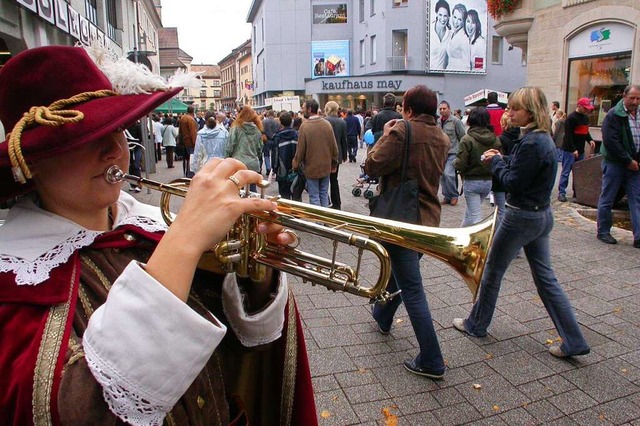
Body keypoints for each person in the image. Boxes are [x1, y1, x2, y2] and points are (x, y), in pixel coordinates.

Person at [0, 44, 317, 425]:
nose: (114, 150)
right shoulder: (17, 279)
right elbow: (79, 409)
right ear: (33, 163)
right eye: (84, 140)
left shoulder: (150, 224)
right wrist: (185, 239)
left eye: (117, 128)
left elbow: (239, 347)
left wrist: (254, 269)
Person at [453, 87, 591, 359]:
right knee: (546, 279)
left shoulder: (532, 142)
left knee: (492, 270)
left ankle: (476, 324)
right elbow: (522, 172)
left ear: (531, 111)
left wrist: (495, 164)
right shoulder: (542, 139)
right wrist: (503, 159)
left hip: (521, 216)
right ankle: (574, 339)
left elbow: (512, 182)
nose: (510, 112)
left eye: (515, 108)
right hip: (541, 215)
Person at [365, 85, 450, 379]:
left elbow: (371, 164)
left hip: (402, 219)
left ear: (409, 109)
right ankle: (383, 315)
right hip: (428, 219)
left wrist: (385, 133)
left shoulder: (401, 132)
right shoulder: (442, 137)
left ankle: (432, 359)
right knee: (401, 275)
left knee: (412, 288)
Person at [596, 85, 640, 248]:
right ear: (624, 96)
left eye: (638, 98)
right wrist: (628, 160)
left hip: (634, 165)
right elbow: (611, 141)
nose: (635, 101)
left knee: (636, 200)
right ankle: (603, 231)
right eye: (632, 98)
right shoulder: (614, 115)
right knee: (608, 198)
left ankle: (638, 236)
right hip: (615, 163)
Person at [453, 107, 501, 226]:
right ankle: (461, 235)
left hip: (472, 181)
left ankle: (479, 242)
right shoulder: (495, 139)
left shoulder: (467, 139)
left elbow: (461, 163)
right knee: (470, 213)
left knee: (475, 218)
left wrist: (454, 164)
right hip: (488, 181)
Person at [293, 99, 338, 207]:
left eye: (303, 108)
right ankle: (325, 219)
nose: (302, 110)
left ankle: (319, 222)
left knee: (314, 195)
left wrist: (295, 163)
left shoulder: (305, 127)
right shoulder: (327, 124)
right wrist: (334, 163)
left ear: (309, 109)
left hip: (311, 167)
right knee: (323, 193)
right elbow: (334, 146)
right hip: (325, 166)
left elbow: (300, 150)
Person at [558, 97, 596, 202]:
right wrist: (573, 149)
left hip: (580, 149)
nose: (587, 110)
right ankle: (562, 192)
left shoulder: (585, 118)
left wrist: (590, 140)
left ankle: (577, 193)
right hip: (569, 150)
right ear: (579, 106)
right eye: (585, 108)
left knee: (578, 172)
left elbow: (585, 132)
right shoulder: (571, 118)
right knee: (566, 171)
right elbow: (568, 136)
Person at [226, 106, 264, 192]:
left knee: (237, 189)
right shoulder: (257, 130)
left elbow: (230, 146)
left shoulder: (235, 128)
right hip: (253, 163)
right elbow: (260, 149)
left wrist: (227, 159)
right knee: (252, 190)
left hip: (238, 163)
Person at [438, 100, 467, 205]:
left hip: (453, 152)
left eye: (444, 108)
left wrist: (462, 152)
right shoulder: (437, 122)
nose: (442, 111)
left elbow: (463, 136)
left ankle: (454, 195)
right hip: (441, 153)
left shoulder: (455, 121)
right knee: (442, 175)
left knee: (449, 174)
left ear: (449, 109)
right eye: (440, 109)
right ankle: (447, 196)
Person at [324, 101, 348, 209]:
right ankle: (337, 203)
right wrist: (344, 155)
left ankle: (325, 201)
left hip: (325, 153)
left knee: (324, 180)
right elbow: (344, 140)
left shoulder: (324, 121)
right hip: (337, 153)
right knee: (334, 179)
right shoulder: (342, 122)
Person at [272, 112, 298, 199]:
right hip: (295, 169)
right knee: (296, 194)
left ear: (280, 122)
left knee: (284, 196)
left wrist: (274, 168)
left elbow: (275, 153)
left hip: (282, 169)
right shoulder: (296, 134)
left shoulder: (278, 136)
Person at [446, 3, 470, 71]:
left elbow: (467, 64)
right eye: (455, 17)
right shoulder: (451, 34)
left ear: (463, 21)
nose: (455, 22)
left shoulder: (464, 38)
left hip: (457, 76)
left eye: (460, 19)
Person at [178, 105, 198, 177]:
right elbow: (193, 133)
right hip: (190, 143)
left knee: (186, 159)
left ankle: (186, 172)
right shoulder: (191, 119)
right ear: (193, 111)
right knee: (191, 159)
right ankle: (190, 174)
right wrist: (195, 143)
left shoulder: (183, 118)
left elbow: (180, 131)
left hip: (184, 142)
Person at [262, 109, 280, 176]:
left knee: (266, 155)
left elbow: (262, 130)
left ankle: (268, 168)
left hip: (266, 139)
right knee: (274, 154)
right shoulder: (277, 122)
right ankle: (273, 168)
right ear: (273, 115)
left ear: (268, 114)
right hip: (275, 139)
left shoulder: (264, 121)